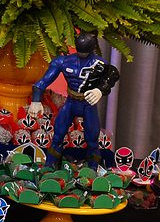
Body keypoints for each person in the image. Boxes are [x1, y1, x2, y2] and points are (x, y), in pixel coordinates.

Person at [28, 33, 119, 164]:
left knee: (92, 139)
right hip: (71, 102)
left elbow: (113, 74)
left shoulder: (99, 64)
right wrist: (36, 100)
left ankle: (93, 168)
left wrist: (100, 90)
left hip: (87, 104)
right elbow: (42, 82)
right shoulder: (63, 61)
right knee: (57, 135)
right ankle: (50, 165)